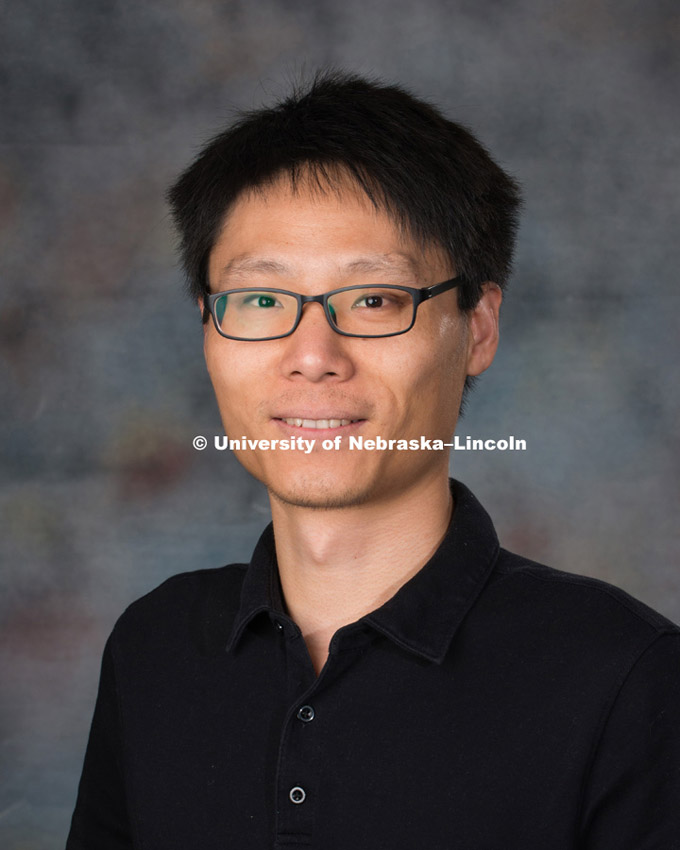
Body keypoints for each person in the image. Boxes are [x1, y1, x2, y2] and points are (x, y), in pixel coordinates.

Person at [66, 70, 680, 850]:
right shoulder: (154, 650)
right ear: (208, 329)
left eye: (374, 300)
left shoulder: (624, 677)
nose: (312, 357)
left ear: (478, 329)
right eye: (260, 301)